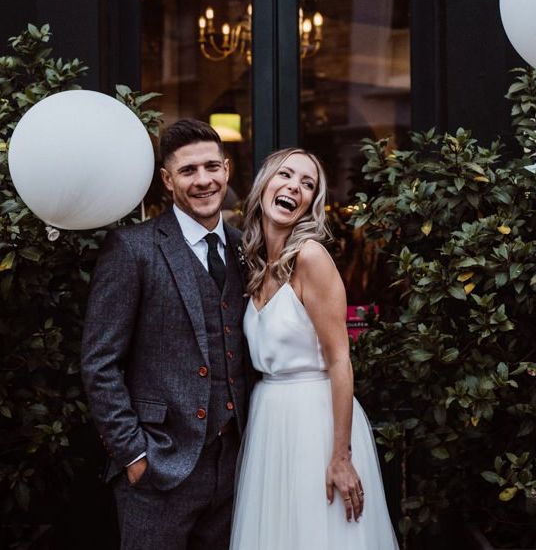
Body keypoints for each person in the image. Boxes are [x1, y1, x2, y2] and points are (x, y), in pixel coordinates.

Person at [81, 119, 254, 550]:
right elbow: (100, 362)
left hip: (235, 469)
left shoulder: (245, 248)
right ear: (167, 180)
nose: (203, 180)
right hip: (158, 467)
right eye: (188, 171)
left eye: (211, 167)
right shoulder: (132, 249)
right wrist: (134, 455)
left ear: (227, 170)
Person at [229, 148, 399, 549]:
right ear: (265, 186)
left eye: (307, 184)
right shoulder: (256, 265)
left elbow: (340, 360)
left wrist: (340, 455)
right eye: (286, 175)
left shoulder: (311, 257)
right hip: (270, 418)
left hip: (315, 421)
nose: (295, 187)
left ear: (311, 203)